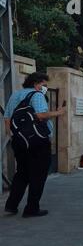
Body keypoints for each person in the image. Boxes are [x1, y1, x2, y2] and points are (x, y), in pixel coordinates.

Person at [3, 72, 67, 217]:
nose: (45, 88)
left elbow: (7, 118)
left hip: (19, 141)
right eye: (44, 85)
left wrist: (13, 136)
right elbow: (40, 115)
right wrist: (59, 112)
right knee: (38, 175)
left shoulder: (15, 95)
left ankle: (11, 205)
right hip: (38, 142)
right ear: (36, 83)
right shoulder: (36, 95)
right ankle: (32, 208)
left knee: (22, 173)